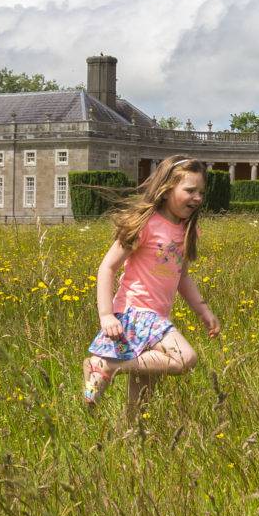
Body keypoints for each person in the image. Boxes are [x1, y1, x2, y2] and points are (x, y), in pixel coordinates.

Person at [83, 155, 221, 420]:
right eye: (190, 190)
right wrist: (106, 315)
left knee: (141, 400)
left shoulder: (187, 230)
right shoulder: (145, 224)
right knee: (185, 358)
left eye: (201, 192)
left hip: (158, 317)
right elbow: (107, 267)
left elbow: (182, 277)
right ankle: (108, 364)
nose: (197, 198)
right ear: (167, 189)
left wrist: (203, 311)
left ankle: (129, 431)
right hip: (135, 313)